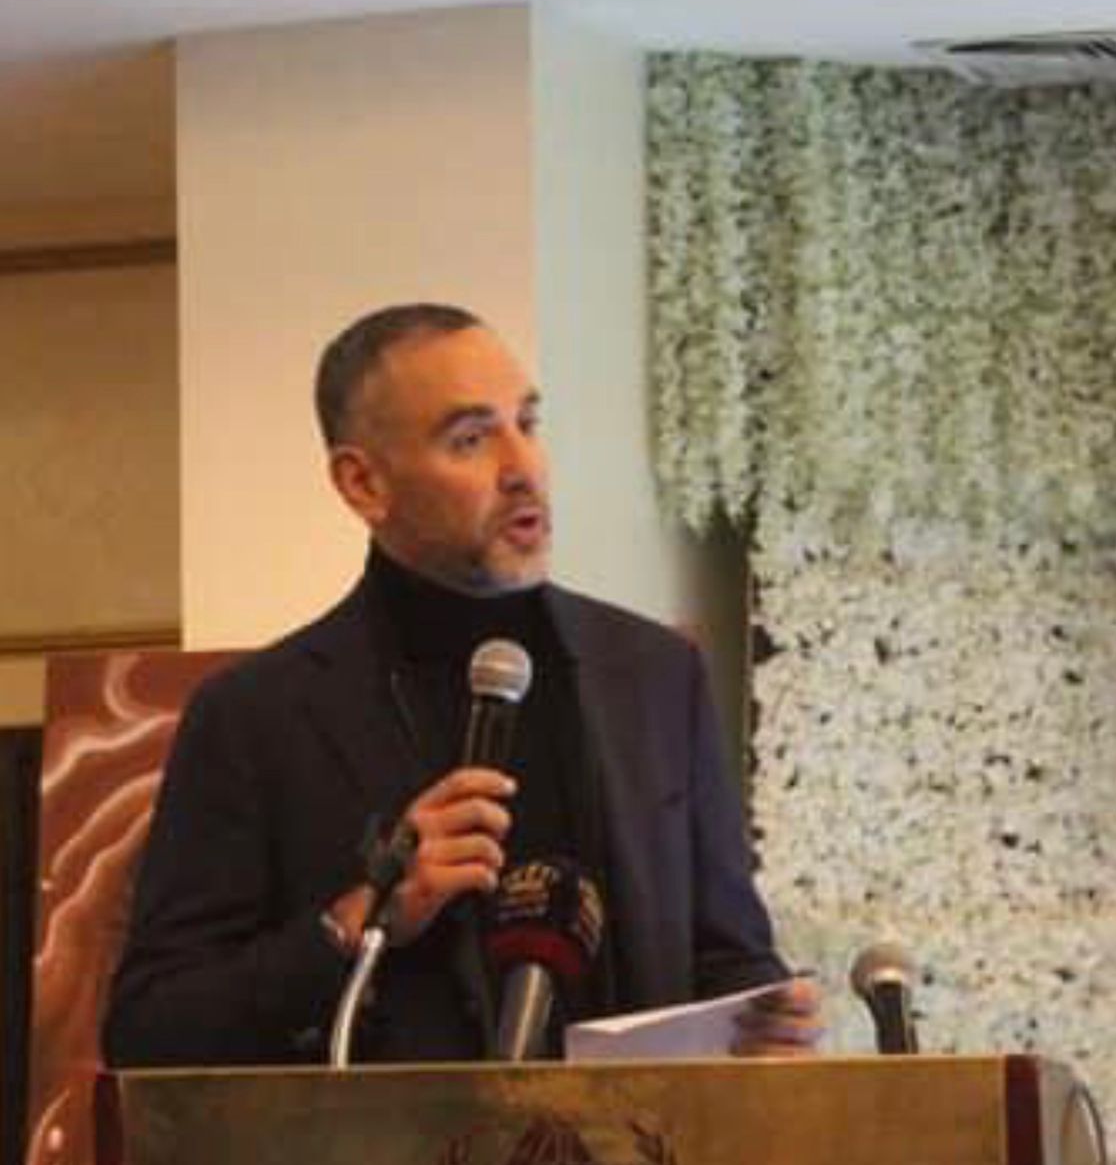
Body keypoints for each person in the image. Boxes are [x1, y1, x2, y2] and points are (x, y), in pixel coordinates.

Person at [104, 303, 820, 1068]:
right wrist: (362, 920)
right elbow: (153, 1028)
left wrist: (768, 1018)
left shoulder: (654, 677)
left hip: (638, 1142)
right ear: (363, 483)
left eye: (528, 424)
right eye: (471, 439)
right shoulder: (256, 715)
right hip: (380, 1147)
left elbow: (728, 957)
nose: (523, 468)